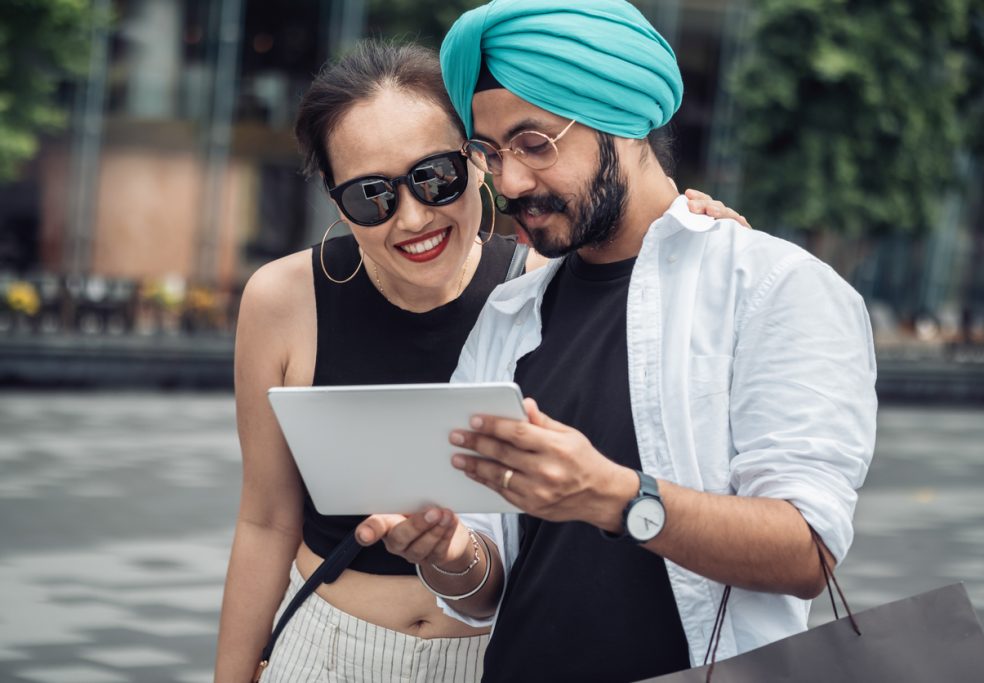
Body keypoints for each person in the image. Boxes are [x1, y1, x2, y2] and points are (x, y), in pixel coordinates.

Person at [355, 2, 877, 681]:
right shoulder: (511, 315)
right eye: (489, 154)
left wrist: (614, 495)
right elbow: (490, 587)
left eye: (535, 143)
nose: (510, 182)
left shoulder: (775, 287)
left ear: (625, 121)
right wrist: (452, 554)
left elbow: (807, 553)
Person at [215, 38, 746, 682]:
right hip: (327, 649)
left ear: (479, 161)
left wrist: (704, 235)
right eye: (370, 196)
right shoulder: (283, 300)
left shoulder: (550, 285)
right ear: (335, 201)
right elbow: (265, 520)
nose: (412, 218)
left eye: (435, 177)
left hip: (499, 656)